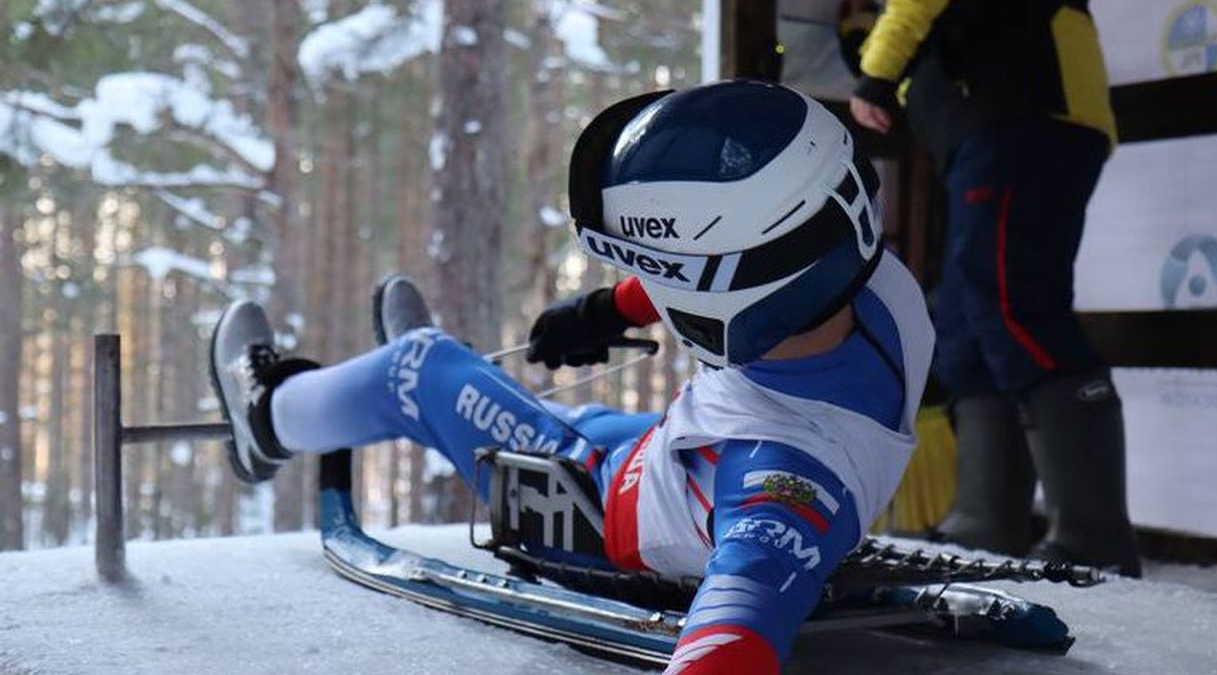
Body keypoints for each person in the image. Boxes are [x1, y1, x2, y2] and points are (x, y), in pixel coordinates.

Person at [209, 80, 933, 675]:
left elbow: (736, 634)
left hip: (594, 511)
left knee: (421, 366)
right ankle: (440, 396)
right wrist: (604, 309)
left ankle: (272, 415)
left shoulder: (780, 486)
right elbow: (773, 262)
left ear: (721, 305)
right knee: (573, 420)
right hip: (671, 459)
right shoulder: (871, 284)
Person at [839, 0, 1140, 574]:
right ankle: (986, 525)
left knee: (1015, 309)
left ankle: (1093, 536)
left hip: (1026, 109)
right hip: (990, 124)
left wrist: (876, 69)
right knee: (969, 329)